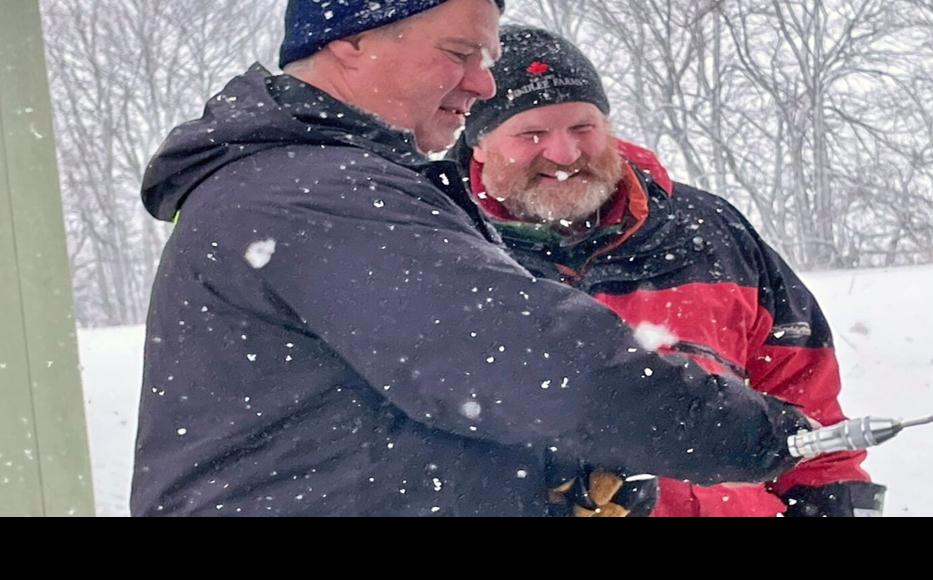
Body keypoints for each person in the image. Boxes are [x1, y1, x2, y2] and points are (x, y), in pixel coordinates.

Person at [132, 0, 815, 516]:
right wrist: (765, 437)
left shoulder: (322, 182)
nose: (483, 85)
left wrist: (550, 473)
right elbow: (536, 364)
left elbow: (395, 413)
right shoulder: (314, 194)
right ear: (348, 42)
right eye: (460, 53)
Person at [450, 25, 885, 517]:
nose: (565, 155)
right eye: (532, 134)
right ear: (480, 144)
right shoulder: (442, 249)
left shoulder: (711, 231)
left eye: (582, 128)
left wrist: (834, 499)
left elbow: (804, 392)